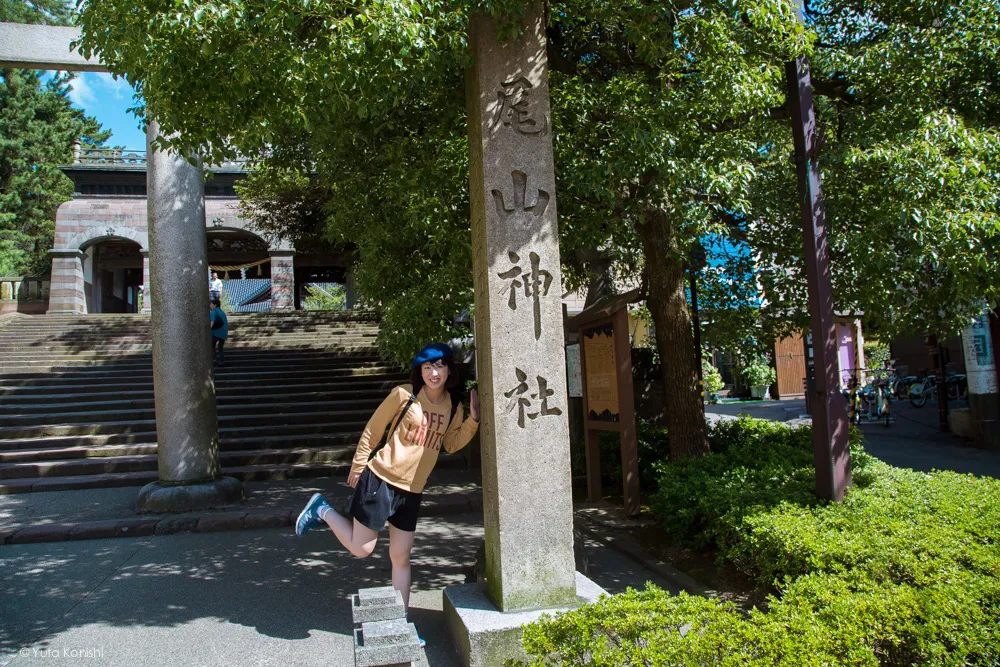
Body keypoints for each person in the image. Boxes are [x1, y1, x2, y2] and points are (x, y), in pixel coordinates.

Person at [295, 343, 479, 645]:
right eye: (427, 367)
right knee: (362, 549)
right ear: (420, 371)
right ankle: (322, 510)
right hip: (381, 479)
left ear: (449, 369)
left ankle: (401, 624)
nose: (434, 373)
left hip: (412, 491)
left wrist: (472, 420)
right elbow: (373, 430)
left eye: (440, 366)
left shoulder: (453, 406)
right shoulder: (404, 395)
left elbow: (449, 444)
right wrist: (358, 464)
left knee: (401, 556)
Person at [209, 298, 228, 367]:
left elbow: (212, 322)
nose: (210, 305)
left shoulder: (213, 311)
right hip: (223, 333)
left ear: (215, 305)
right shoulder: (222, 312)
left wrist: (209, 330)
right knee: (220, 348)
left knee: (211, 346)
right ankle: (222, 361)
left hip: (216, 332)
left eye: (211, 304)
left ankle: (215, 360)